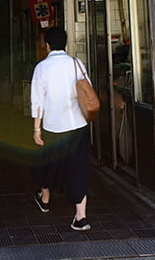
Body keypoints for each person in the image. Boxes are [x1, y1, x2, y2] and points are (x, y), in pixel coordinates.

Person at [31, 26, 91, 232]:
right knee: (78, 168)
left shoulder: (42, 68)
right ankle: (81, 217)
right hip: (77, 125)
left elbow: (37, 102)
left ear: (47, 45)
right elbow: (87, 89)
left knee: (49, 164)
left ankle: (45, 200)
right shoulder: (76, 64)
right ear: (64, 44)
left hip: (53, 126)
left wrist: (37, 129)